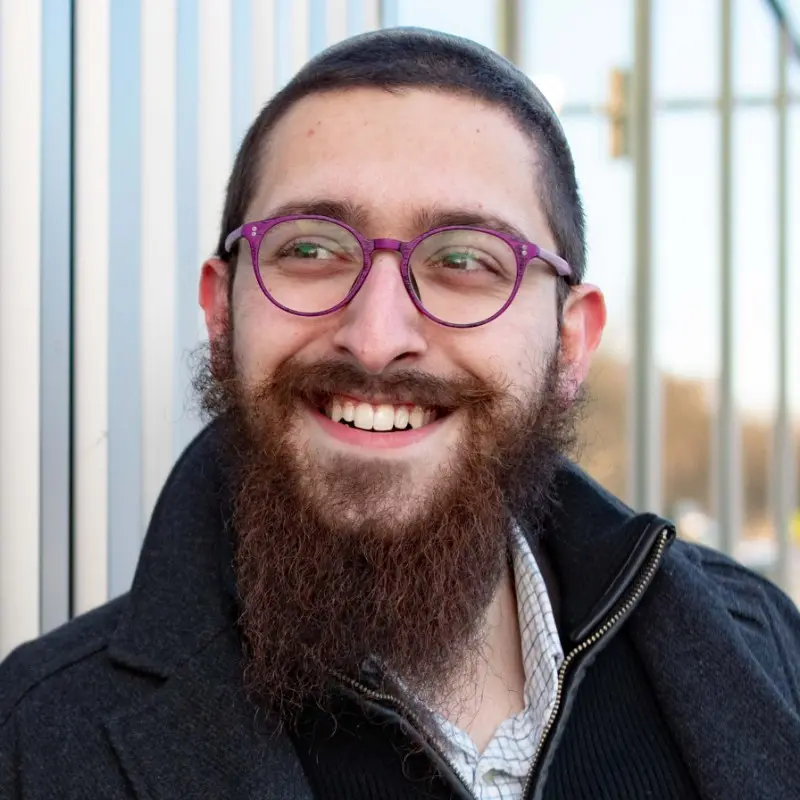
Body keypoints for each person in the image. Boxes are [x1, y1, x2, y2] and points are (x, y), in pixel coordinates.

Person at [1, 27, 799, 800]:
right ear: (221, 314)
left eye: (465, 260)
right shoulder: (30, 742)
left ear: (570, 344)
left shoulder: (762, 644)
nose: (377, 339)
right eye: (310, 250)